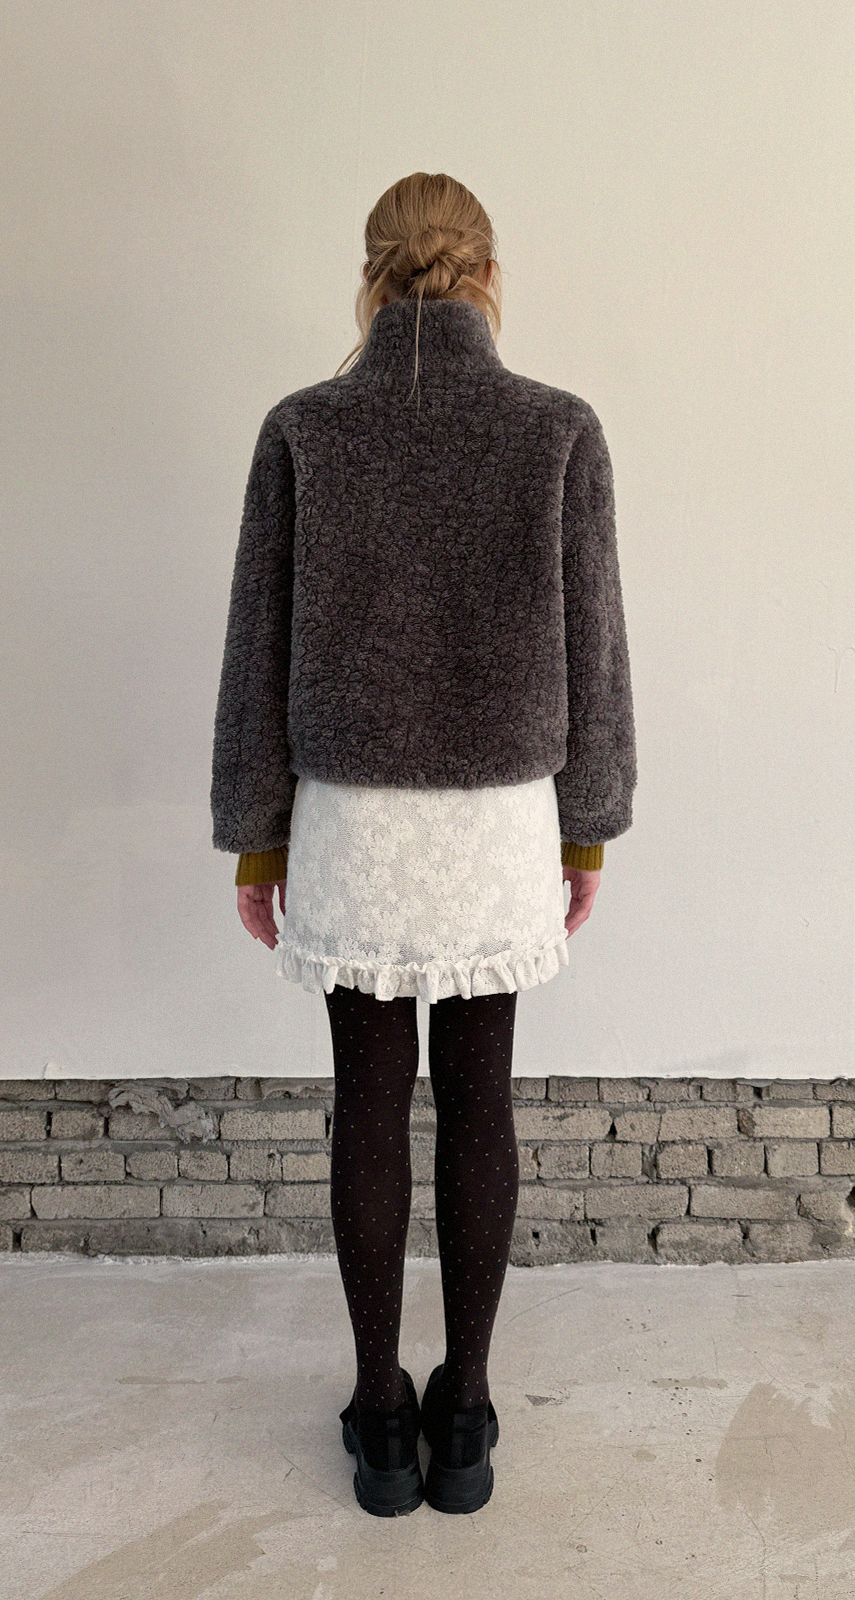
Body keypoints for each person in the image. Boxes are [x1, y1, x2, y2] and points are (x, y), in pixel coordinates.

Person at [211, 172, 636, 1516]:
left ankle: (381, 1418)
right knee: (481, 1099)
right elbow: (597, 648)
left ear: (371, 278)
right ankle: (467, 1417)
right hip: (501, 816)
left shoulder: (305, 428)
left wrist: (257, 840)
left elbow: (258, 648)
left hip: (352, 818)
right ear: (488, 277)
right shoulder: (557, 428)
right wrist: (589, 827)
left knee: (368, 1101)